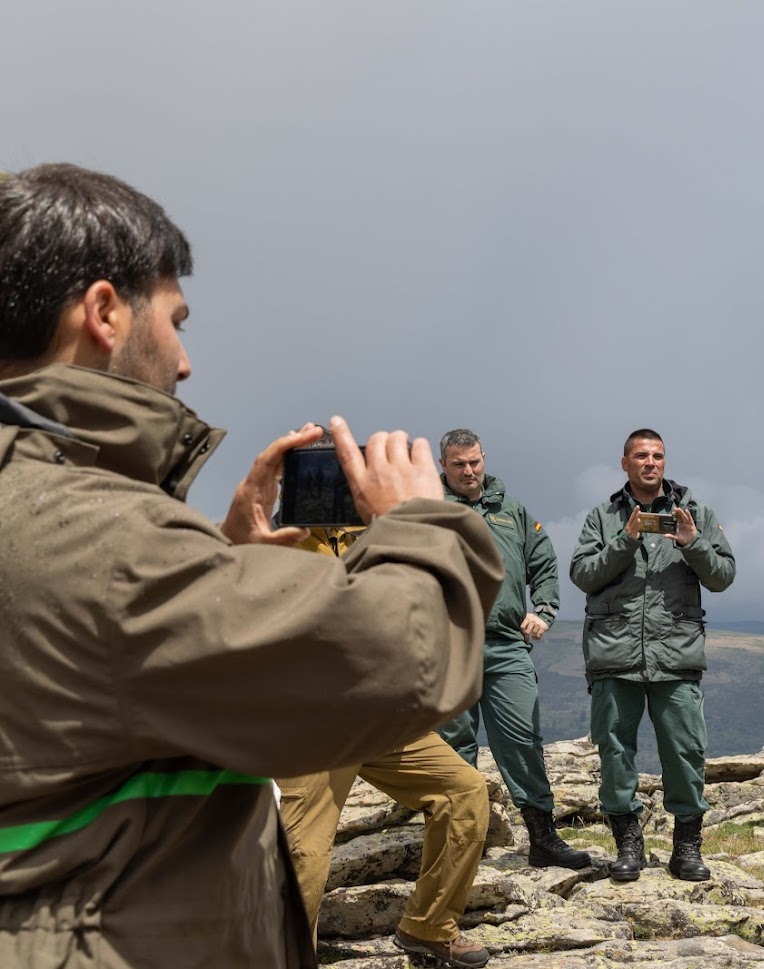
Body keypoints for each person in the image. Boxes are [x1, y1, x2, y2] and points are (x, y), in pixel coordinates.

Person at [0, 164, 503, 969]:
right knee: (305, 840)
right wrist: (420, 522)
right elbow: (398, 661)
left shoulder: (48, 511)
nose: (186, 360)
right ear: (102, 312)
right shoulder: (95, 533)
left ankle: (428, 930)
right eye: (175, 319)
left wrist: (218, 559)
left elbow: (91, 671)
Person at [276, 522, 492, 968]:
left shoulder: (369, 537)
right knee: (303, 853)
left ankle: (429, 926)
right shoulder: (275, 542)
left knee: (464, 792)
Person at [569, 428, 735, 883]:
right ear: (624, 462)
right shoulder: (603, 516)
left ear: (665, 462)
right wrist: (625, 539)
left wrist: (692, 541)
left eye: (657, 456)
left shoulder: (694, 511)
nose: (650, 463)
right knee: (615, 753)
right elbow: (582, 574)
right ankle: (628, 845)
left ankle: (686, 849)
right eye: (641, 456)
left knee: (685, 753)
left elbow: (723, 576)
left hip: (675, 657)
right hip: (614, 653)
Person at [434, 428, 591, 871]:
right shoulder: (427, 509)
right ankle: (459, 844)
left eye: (475, 462)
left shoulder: (512, 511)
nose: (469, 471)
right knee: (453, 748)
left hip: (506, 647)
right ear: (441, 466)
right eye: (459, 464)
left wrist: (543, 608)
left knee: (522, 741)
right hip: (449, 648)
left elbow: (543, 563)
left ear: (484, 458)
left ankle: (542, 839)